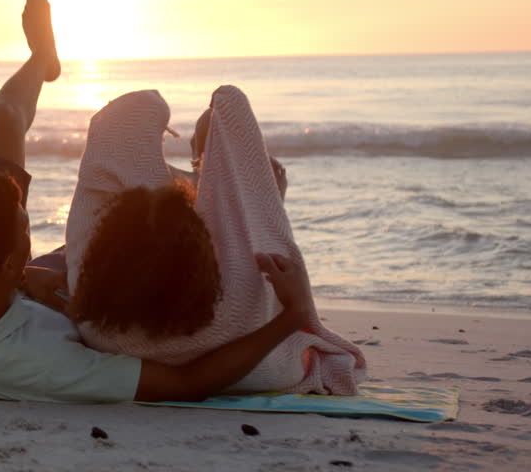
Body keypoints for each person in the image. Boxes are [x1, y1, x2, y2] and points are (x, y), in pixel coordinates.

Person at [0, 0, 317, 402]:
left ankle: (43, 59)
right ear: (7, 261)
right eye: (24, 224)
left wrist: (24, 277)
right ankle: (233, 199)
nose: (26, 214)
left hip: (15, 284)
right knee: (166, 234)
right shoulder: (48, 361)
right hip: (105, 290)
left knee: (6, 118)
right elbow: (187, 383)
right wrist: (293, 316)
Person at [60, 87, 366, 395]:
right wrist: (295, 311)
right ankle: (205, 166)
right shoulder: (236, 300)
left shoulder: (97, 321)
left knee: (143, 203)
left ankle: (203, 169)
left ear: (107, 247)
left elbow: (106, 165)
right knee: (234, 199)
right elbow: (254, 242)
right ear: (201, 251)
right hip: (249, 365)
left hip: (138, 335)